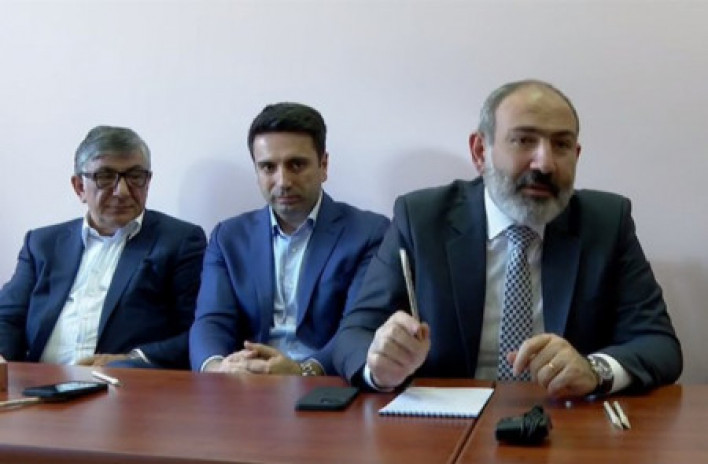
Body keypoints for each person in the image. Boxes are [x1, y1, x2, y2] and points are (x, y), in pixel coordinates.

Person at [333, 80, 682, 398]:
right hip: (445, 421)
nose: (545, 164)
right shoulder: (422, 218)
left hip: (565, 419)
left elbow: (658, 343)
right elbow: (353, 335)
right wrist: (380, 366)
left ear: (576, 156)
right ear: (480, 151)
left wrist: (595, 370)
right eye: (524, 140)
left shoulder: (605, 222)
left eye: (561, 145)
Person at [189, 102, 390, 376]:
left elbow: (360, 326)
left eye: (296, 165)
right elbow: (212, 320)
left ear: (323, 165)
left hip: (327, 383)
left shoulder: (369, 232)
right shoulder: (229, 237)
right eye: (268, 167)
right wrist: (217, 369)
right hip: (246, 382)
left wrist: (303, 372)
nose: (283, 181)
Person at [0, 126, 206, 369]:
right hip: (39, 383)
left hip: (122, 384)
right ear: (79, 187)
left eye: (135, 176)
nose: (122, 191)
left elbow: (199, 331)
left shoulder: (179, 241)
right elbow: (7, 317)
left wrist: (131, 360)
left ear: (148, 182)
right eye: (105, 177)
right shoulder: (43, 244)